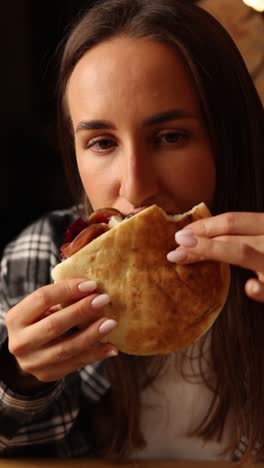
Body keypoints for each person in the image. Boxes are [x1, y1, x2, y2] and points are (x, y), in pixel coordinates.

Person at [0, 0, 264, 462]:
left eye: (170, 137)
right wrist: (18, 379)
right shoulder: (38, 259)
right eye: (102, 143)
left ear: (228, 133)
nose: (136, 186)